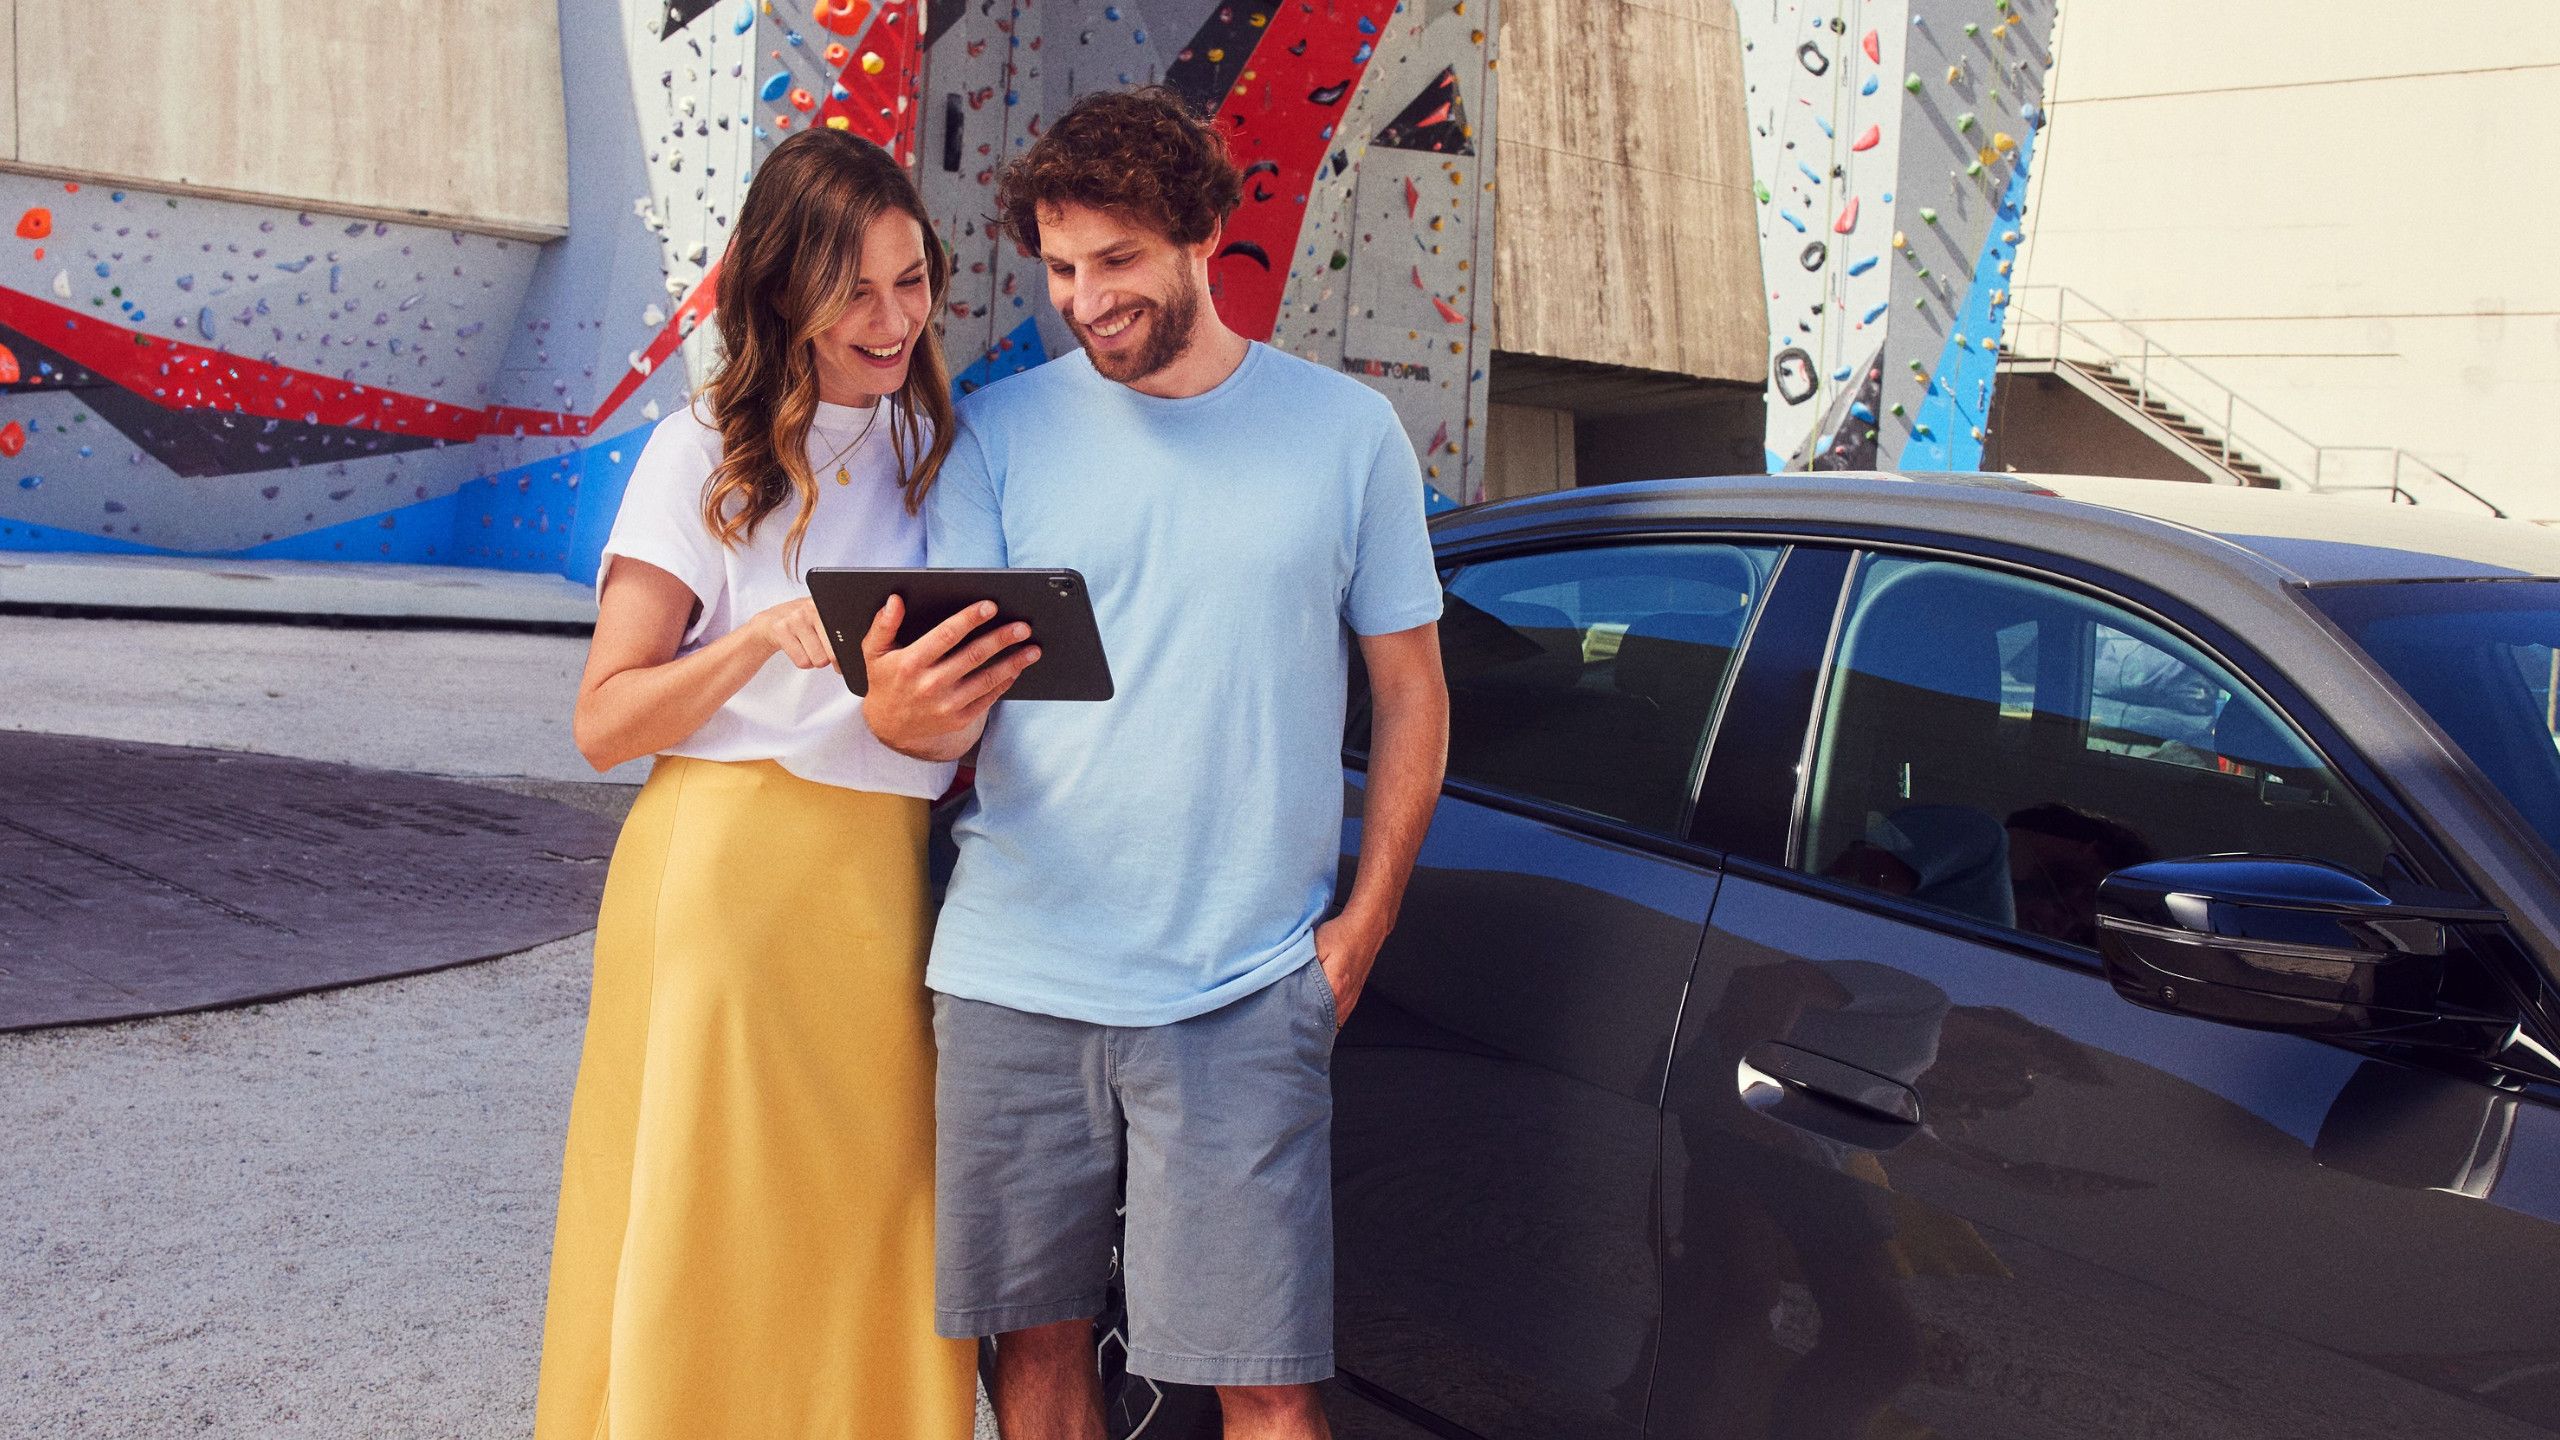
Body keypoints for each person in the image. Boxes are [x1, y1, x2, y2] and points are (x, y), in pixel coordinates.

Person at [859, 87, 1452, 1440]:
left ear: (1200, 235)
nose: (1086, 299)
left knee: (1265, 1384)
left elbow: (1414, 695)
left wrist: (1361, 927)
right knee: (1037, 1358)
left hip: (1246, 983)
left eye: (1116, 262)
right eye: (1062, 270)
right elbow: (951, 716)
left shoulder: (1347, 432)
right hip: (1018, 971)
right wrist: (903, 716)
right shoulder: (1000, 433)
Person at [533, 130, 1013, 1440]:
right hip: (727, 887)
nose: (890, 316)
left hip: (886, 893)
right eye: (854, 287)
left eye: (911, 280)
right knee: (709, 1223)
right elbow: (602, 722)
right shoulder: (702, 455)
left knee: (872, 1227)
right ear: (781, 286)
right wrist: (750, 638)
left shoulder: (945, 451)